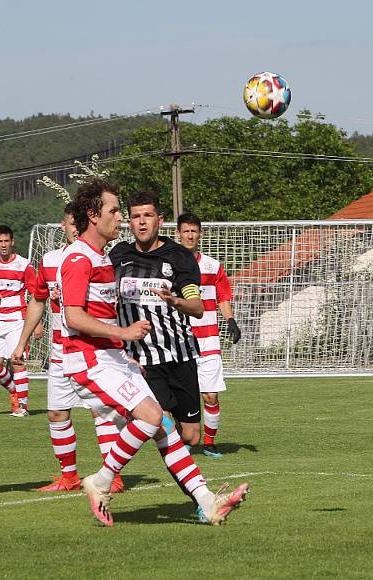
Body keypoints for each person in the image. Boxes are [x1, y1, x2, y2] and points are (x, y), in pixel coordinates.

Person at [58, 179, 249, 526]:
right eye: (116, 211)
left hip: (129, 357)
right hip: (90, 361)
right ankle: (100, 481)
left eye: (124, 212)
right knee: (150, 417)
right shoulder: (79, 258)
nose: (122, 219)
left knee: (166, 428)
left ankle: (207, 502)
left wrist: (120, 346)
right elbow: (73, 316)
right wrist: (124, 334)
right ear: (92, 215)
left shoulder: (103, 256)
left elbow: (105, 311)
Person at [10, 204, 124, 493]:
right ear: (63, 226)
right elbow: (38, 299)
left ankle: (112, 476)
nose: (75, 228)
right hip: (60, 353)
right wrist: (21, 343)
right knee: (57, 413)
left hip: (91, 351)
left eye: (79, 223)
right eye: (71, 223)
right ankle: (69, 477)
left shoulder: (98, 259)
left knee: (102, 413)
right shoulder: (49, 261)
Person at [110, 192, 204, 449]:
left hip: (180, 354)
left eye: (148, 216)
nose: (142, 222)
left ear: (159, 220)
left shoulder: (179, 257)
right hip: (142, 360)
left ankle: (179, 461)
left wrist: (175, 301)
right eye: (136, 217)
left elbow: (197, 308)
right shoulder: (118, 256)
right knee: (161, 423)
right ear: (129, 222)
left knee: (192, 436)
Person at [176, 212, 242, 458]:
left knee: (210, 395)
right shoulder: (171, 264)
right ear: (178, 234)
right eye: (186, 231)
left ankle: (210, 443)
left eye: (194, 231)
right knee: (178, 398)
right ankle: (182, 441)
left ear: (200, 234)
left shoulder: (212, 266)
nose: (190, 235)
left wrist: (231, 320)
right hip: (179, 340)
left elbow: (223, 296)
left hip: (208, 340)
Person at [0, 224, 38, 417]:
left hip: (17, 321)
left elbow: (35, 294)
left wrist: (37, 323)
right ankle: (15, 391)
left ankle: (22, 405)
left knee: (17, 361)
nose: (4, 245)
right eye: (0, 241)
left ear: (12, 242)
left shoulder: (24, 265)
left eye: (7, 241)